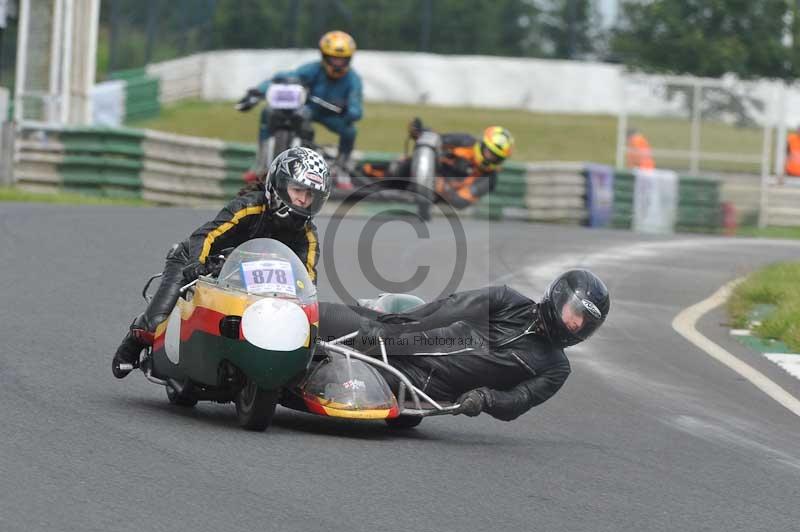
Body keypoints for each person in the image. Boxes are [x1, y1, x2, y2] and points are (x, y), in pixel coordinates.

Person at [112, 147, 331, 379]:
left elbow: (307, 282)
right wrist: (196, 264)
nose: (302, 200)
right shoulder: (249, 208)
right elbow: (204, 236)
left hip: (252, 288)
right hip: (197, 264)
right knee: (155, 325)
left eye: (311, 196)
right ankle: (136, 335)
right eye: (298, 190)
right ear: (278, 185)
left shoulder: (308, 236)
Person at [318, 269, 610, 421]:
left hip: (422, 383)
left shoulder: (556, 367)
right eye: (575, 313)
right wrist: (394, 329)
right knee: (321, 316)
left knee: (346, 378)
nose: (575, 324)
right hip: (399, 337)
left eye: (584, 323)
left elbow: (521, 400)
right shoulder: (507, 300)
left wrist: (485, 399)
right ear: (559, 297)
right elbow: (446, 310)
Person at [238, 30, 362, 187]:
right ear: (324, 57)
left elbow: (357, 108)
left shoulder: (353, 80)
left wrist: (349, 111)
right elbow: (285, 78)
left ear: (349, 59)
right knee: (268, 113)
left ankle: (341, 168)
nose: (337, 64)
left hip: (334, 115)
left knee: (350, 131)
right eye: (333, 59)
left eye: (342, 60)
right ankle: (261, 163)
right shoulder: (313, 69)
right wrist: (259, 91)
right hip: (308, 109)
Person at [362, 119, 514, 209]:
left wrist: (442, 187)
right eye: (489, 153)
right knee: (400, 166)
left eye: (496, 158)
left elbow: (461, 201)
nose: (490, 159)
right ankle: (362, 176)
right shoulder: (464, 141)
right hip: (424, 170)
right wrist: (420, 132)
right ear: (483, 145)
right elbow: (436, 140)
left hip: (436, 196)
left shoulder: (489, 179)